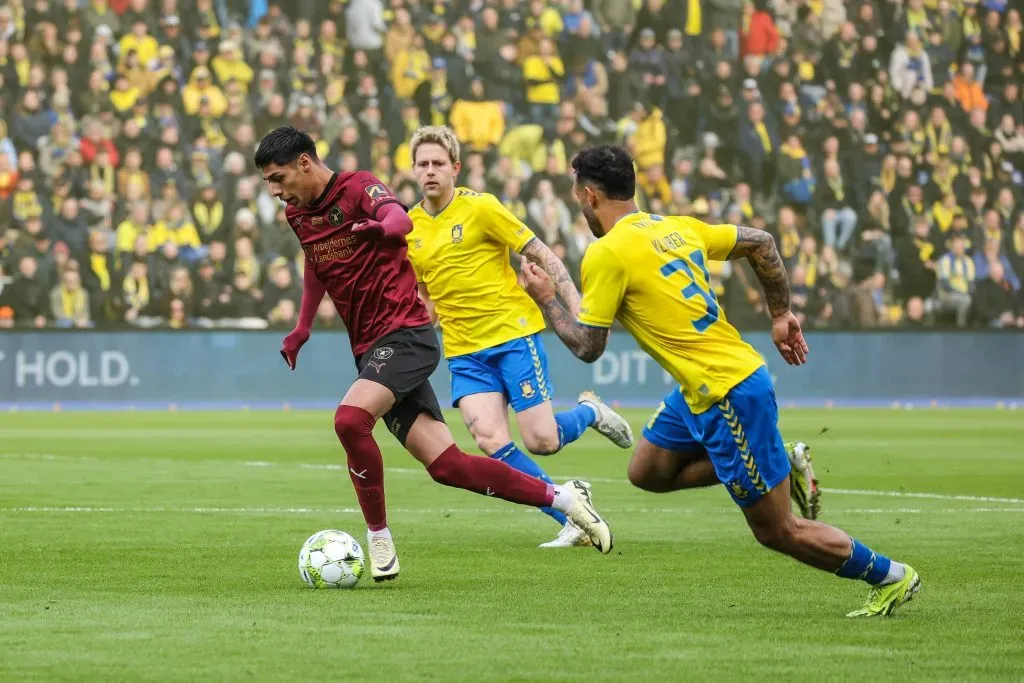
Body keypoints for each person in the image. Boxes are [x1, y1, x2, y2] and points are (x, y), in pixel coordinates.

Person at [522, 144, 920, 617]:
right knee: (646, 471)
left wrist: (546, 298)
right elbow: (762, 242)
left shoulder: (606, 253)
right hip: (702, 387)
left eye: (576, 196)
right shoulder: (676, 227)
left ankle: (892, 575)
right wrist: (781, 314)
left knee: (778, 531)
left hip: (726, 392)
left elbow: (589, 347)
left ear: (589, 196)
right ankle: (777, 461)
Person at [254, 127, 614, 583]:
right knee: (448, 466)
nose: (275, 190)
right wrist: (303, 326)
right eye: (269, 182)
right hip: (369, 348)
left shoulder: (358, 186)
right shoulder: (298, 214)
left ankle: (379, 538)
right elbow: (316, 262)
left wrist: (380, 227)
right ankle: (564, 500)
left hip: (407, 336)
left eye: (278, 178)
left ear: (305, 163)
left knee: (349, 420)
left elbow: (398, 221)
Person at [406, 125, 634, 549]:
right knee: (492, 440)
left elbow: (539, 251)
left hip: (512, 334)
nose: (431, 171)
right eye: (424, 164)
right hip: (463, 351)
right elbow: (426, 294)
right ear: (413, 170)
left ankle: (590, 412)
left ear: (455, 168)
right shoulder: (410, 228)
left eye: (439, 163)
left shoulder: (483, 208)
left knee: (541, 440)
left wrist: (574, 301)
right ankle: (569, 512)